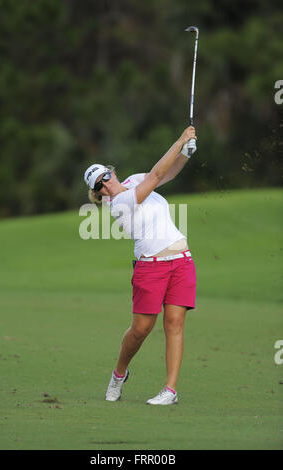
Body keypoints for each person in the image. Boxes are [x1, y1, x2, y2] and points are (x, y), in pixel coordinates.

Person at [84, 125, 197, 405]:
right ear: (98, 193)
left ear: (112, 172)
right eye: (99, 185)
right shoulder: (119, 204)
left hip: (182, 261)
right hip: (151, 268)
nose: (105, 184)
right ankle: (119, 374)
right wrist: (179, 139)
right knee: (140, 330)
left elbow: (167, 173)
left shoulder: (134, 180)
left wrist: (185, 153)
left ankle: (170, 391)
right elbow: (157, 173)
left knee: (175, 324)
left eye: (106, 177)